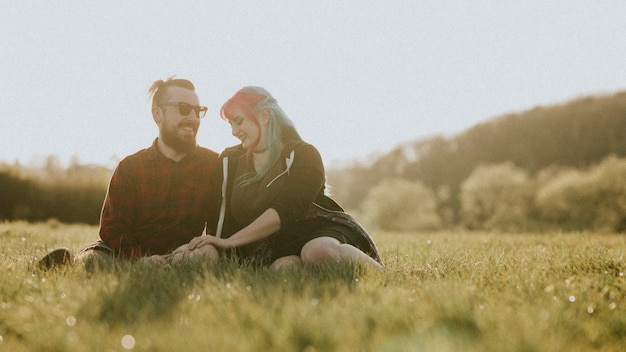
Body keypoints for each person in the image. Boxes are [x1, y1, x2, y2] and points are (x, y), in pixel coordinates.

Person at [186, 86, 382, 270]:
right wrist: (221, 247)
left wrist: (230, 241)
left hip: (319, 231)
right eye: (231, 124)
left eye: (239, 121)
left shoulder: (304, 153)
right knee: (283, 269)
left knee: (316, 251)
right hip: (277, 244)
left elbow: (287, 209)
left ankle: (385, 273)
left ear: (264, 116)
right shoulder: (230, 160)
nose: (234, 132)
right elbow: (221, 215)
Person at [39, 77, 220, 269]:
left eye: (198, 111)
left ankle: (166, 268)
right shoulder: (131, 166)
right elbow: (112, 226)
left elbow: (218, 227)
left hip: (180, 253)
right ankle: (66, 265)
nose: (193, 118)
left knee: (209, 254)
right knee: (93, 261)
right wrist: (139, 259)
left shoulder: (214, 164)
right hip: (124, 254)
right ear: (158, 114)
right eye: (184, 108)